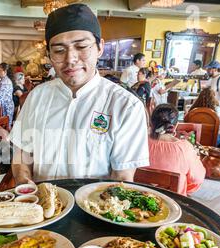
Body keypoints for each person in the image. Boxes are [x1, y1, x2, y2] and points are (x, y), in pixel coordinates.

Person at [10, 4, 149, 183]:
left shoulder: (125, 106)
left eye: (82, 46)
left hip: (94, 208)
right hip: (40, 206)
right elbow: (22, 153)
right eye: (59, 51)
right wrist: (23, 182)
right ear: (49, 55)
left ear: (100, 47)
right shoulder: (36, 97)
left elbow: (122, 177)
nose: (70, 59)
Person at [146, 104, 205, 196]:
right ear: (176, 125)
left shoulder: (138, 142)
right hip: (173, 204)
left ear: (151, 123)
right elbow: (197, 179)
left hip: (137, 199)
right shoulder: (185, 148)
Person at [0, 63, 15, 128]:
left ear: (5, 71)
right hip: (1, 107)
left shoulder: (6, 83)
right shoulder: (3, 80)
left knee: (3, 130)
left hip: (4, 108)